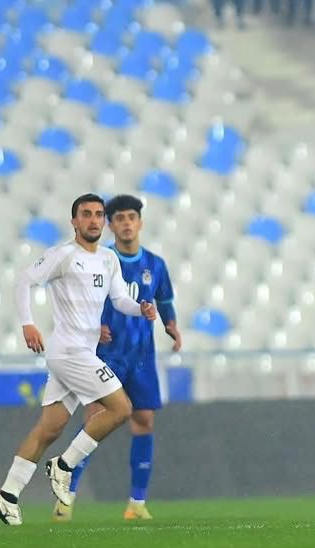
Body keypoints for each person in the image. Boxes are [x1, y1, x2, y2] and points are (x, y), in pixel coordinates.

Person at [0, 194, 157, 526]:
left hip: (81, 352)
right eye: (86, 215)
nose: (93, 220)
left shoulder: (109, 259)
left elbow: (120, 297)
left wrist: (141, 309)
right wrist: (27, 323)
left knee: (49, 429)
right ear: (74, 222)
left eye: (98, 215)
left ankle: (7, 495)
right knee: (121, 408)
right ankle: (63, 466)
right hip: (70, 352)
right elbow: (25, 280)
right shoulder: (64, 256)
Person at [52, 195, 181, 522]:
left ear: (139, 222)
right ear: (110, 225)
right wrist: (94, 326)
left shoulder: (155, 264)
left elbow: (163, 300)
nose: (126, 223)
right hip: (105, 354)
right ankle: (66, 498)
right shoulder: (99, 260)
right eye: (119, 218)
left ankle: (136, 504)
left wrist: (172, 327)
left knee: (144, 421)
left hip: (141, 356)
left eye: (131, 217)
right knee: (95, 419)